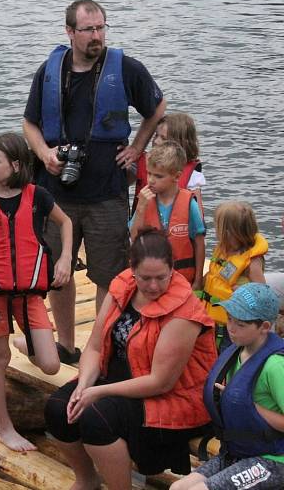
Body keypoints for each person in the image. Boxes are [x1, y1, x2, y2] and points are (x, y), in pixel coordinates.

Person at [22, 0, 166, 364]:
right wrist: (44, 155)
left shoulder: (126, 69)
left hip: (106, 192)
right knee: (60, 272)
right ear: (70, 32)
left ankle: (98, 350)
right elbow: (30, 124)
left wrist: (136, 147)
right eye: (88, 29)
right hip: (58, 194)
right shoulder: (50, 71)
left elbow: (157, 108)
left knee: (108, 273)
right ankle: (66, 345)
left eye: (101, 27)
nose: (97, 36)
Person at [44, 229, 217, 490]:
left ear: (173, 270)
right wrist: (83, 386)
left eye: (161, 277)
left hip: (172, 395)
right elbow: (94, 347)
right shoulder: (122, 287)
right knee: (58, 407)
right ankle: (87, 479)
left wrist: (98, 391)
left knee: (97, 418)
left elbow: (161, 382)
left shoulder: (185, 312)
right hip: (121, 376)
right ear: (132, 270)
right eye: (145, 278)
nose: (154, 286)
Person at [0, 132, 72, 452]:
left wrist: (65, 259)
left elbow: (66, 223)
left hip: (30, 293)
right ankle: (4, 428)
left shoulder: (38, 197)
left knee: (50, 364)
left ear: (16, 165)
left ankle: (25, 342)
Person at [171, 283, 284, 490]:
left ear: (265, 327)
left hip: (273, 459)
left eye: (240, 324)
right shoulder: (239, 352)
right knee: (177, 488)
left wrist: (249, 406)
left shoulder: (276, 365)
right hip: (238, 451)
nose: (230, 327)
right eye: (229, 319)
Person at [129, 141, 206, 289]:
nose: (151, 180)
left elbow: (199, 242)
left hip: (182, 280)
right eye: (149, 173)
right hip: (151, 282)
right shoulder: (144, 201)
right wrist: (140, 208)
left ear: (176, 177)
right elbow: (134, 238)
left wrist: (198, 281)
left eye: (158, 176)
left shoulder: (189, 203)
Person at [199, 201, 268, 347]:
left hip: (233, 324)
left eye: (219, 228)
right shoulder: (224, 251)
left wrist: (245, 292)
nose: (217, 233)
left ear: (230, 232)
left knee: (228, 356)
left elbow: (262, 292)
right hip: (213, 318)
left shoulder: (252, 260)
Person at [133, 112, 205, 215]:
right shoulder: (141, 161)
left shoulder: (192, 176)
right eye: (156, 135)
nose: (156, 141)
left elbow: (198, 216)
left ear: (181, 143)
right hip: (144, 227)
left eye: (163, 138)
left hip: (176, 228)